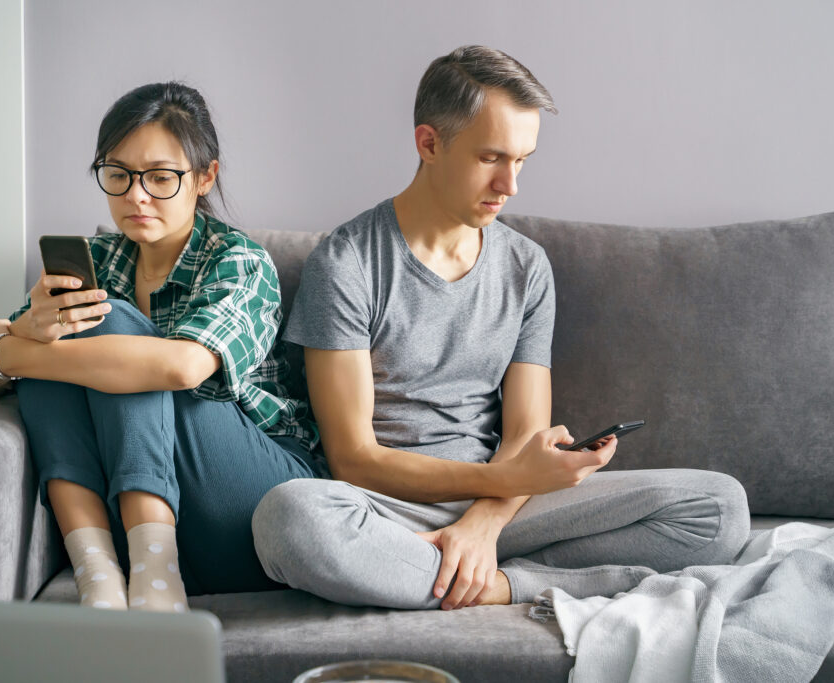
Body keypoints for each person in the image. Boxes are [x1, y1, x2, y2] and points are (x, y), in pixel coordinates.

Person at [251, 46, 750, 610]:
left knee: (719, 507)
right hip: (390, 509)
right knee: (288, 518)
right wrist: (507, 481)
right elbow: (355, 460)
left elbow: (524, 438)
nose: (509, 184)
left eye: (522, 160)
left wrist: (482, 523)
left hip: (509, 506)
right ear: (429, 144)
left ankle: (489, 584)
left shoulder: (526, 266)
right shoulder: (347, 263)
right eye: (491, 158)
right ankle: (487, 577)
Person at [0, 82, 320, 612]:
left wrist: (12, 352)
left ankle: (155, 577)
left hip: (255, 499)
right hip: (149, 515)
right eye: (118, 174)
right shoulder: (96, 259)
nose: (136, 196)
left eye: (160, 177)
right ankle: (98, 571)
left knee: (104, 327)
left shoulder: (239, 261)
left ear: (204, 177)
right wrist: (30, 332)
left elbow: (183, 368)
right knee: (62, 336)